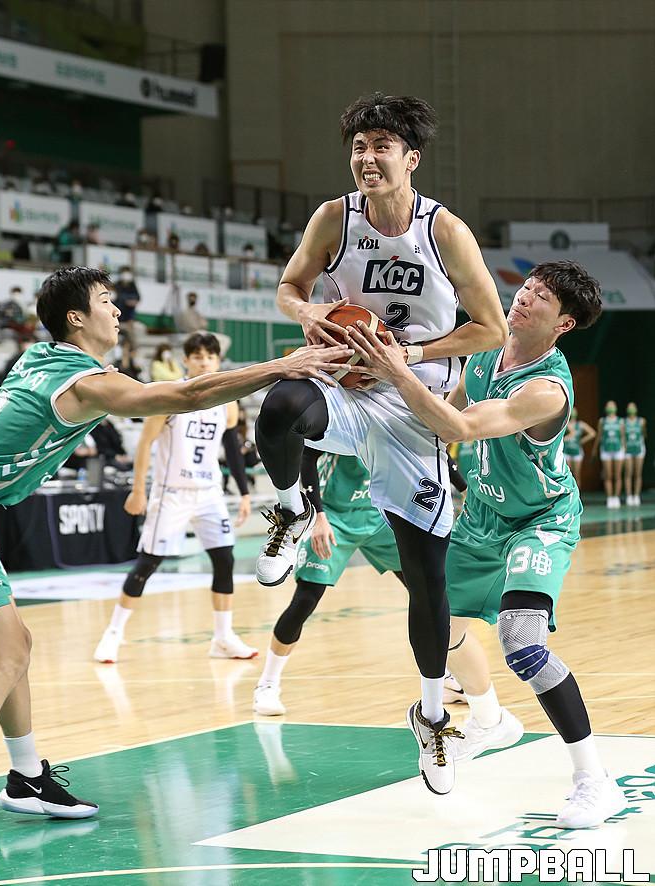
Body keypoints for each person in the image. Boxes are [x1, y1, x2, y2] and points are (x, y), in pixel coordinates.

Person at [0, 266, 351, 860]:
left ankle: (26, 777)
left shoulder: (43, 359)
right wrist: (282, 366)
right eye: (106, 301)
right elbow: (184, 397)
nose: (118, 311)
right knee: (5, 655)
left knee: (16, 647)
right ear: (76, 319)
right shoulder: (83, 383)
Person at [253, 92, 507, 794]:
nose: (367, 158)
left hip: (412, 402)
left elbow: (490, 328)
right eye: (359, 147)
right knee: (280, 404)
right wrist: (310, 312)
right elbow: (289, 286)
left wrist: (407, 353)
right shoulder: (334, 218)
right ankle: (291, 510)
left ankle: (433, 716)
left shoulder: (444, 231)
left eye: (381, 147)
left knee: (427, 579)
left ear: (411, 158)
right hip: (346, 383)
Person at [347, 259, 627, 829]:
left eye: (543, 296)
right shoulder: (484, 353)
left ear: (564, 323)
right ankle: (489, 720)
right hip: (480, 517)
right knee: (438, 623)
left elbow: (461, 427)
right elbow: (440, 406)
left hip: (539, 519)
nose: (524, 296)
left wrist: (396, 368)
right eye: (528, 286)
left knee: (522, 644)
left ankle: (595, 781)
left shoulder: (546, 390)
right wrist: (375, 388)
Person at [94, 333, 256, 664]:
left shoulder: (227, 402)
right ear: (186, 360)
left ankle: (223, 637)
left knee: (224, 559)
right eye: (197, 356)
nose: (204, 362)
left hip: (209, 492)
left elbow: (231, 448)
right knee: (149, 562)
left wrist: (243, 492)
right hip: (172, 492)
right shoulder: (169, 396)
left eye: (209, 356)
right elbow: (144, 444)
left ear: (217, 361)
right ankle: (113, 633)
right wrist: (138, 490)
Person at [254, 449, 405, 715]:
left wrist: (460, 487)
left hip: (377, 514)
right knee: (305, 601)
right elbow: (307, 457)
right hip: (333, 516)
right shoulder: (342, 424)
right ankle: (267, 685)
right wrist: (319, 517)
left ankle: (447, 676)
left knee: (427, 591)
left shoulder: (398, 423)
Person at [594, 401, 625, 508]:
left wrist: (624, 449)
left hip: (618, 450)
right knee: (608, 475)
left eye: (612, 405)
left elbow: (622, 436)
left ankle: (616, 497)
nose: (610, 407)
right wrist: (595, 449)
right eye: (608, 405)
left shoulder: (620, 421)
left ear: (616, 407)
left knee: (617, 475)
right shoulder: (602, 421)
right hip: (606, 449)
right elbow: (599, 435)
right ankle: (609, 497)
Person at [563, 407, 596, 490]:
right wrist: (565, 438)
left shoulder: (580, 424)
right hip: (566, 451)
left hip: (577, 451)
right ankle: (568, 493)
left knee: (577, 474)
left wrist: (581, 441)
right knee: (567, 474)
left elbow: (592, 433)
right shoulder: (564, 423)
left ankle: (577, 494)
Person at [623, 401, 646, 506]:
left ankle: (636, 495)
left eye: (633, 407)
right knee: (628, 472)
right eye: (629, 407)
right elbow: (622, 436)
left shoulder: (641, 421)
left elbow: (644, 434)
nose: (631, 409)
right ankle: (629, 496)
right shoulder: (623, 422)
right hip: (627, 449)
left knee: (638, 473)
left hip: (639, 448)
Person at [113, 267, 141, 346]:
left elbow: (137, 298)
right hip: (117, 317)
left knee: (130, 334)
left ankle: (132, 350)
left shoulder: (132, 286)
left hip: (128, 319)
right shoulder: (116, 286)